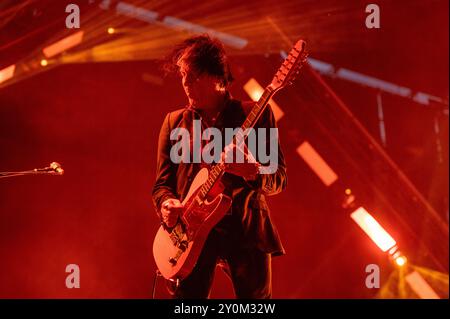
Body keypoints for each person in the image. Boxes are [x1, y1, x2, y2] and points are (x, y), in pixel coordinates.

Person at [152, 34, 287, 299]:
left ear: (217, 77)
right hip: (189, 234)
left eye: (193, 76)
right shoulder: (173, 123)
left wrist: (254, 171)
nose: (185, 83)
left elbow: (279, 178)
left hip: (246, 229)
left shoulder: (254, 115)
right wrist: (166, 204)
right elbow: (161, 186)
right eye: (182, 75)